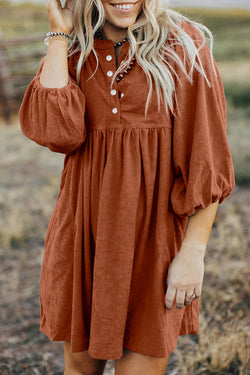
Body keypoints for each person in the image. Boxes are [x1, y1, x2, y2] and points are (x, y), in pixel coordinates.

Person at [18, 0, 235, 373]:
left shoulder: (184, 47)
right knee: (80, 369)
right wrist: (59, 33)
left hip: (153, 245)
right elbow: (58, 133)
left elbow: (207, 160)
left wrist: (193, 253)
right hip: (83, 237)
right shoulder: (73, 50)